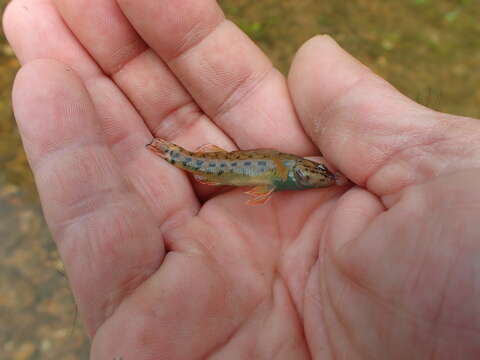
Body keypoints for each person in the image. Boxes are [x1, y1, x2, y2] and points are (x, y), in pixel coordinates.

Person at [4, 0, 480, 358]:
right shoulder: (284, 172)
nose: (320, 177)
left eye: (316, 175)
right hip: (207, 162)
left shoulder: (292, 175)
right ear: (297, 173)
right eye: (314, 174)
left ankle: (171, 153)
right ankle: (168, 152)